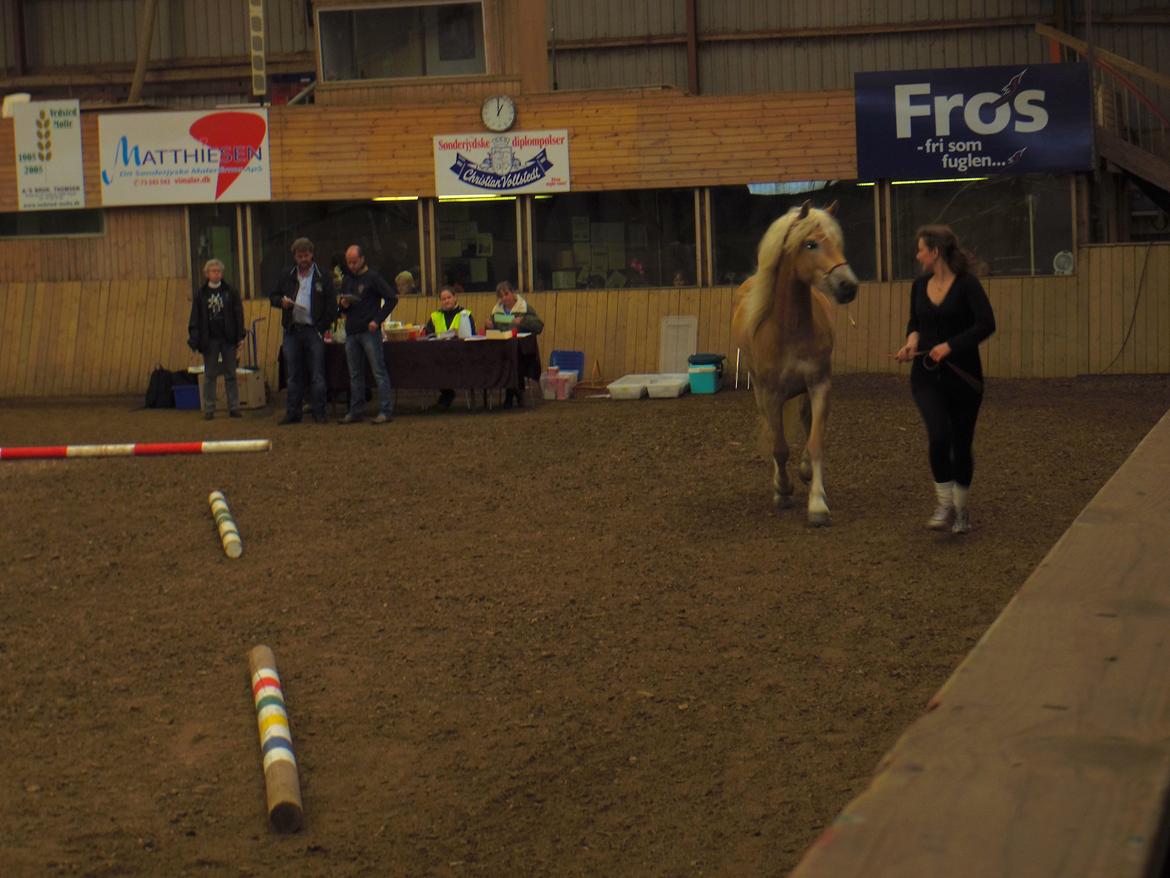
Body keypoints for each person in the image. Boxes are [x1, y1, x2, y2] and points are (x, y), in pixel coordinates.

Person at [894, 225, 996, 535]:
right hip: (925, 375)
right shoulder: (919, 285)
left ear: (935, 252)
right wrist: (912, 342)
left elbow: (986, 324)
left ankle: (962, 508)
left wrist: (950, 346)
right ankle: (944, 505)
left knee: (961, 444)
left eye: (921, 249)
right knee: (939, 436)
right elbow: (915, 321)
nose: (917, 254)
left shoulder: (967, 286)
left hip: (963, 377)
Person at [269, 237, 335, 425]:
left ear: (312, 255)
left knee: (317, 374)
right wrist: (281, 302)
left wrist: (321, 327)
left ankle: (319, 412)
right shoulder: (286, 275)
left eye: (306, 255)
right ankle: (293, 412)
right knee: (293, 374)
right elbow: (272, 296)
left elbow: (331, 305)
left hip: (313, 331)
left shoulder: (323, 276)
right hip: (292, 330)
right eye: (300, 256)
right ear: (295, 257)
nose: (303, 259)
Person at [338, 244, 397, 424]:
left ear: (362, 259)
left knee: (378, 371)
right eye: (349, 262)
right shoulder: (347, 280)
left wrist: (377, 320)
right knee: (355, 374)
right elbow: (342, 307)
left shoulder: (373, 278)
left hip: (369, 332)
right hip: (351, 331)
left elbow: (392, 299)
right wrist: (343, 306)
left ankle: (386, 410)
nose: (352, 265)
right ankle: (356, 410)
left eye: (355, 262)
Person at [187, 258, 246, 420]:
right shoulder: (201, 294)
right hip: (210, 340)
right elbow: (195, 318)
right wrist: (195, 338)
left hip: (228, 339)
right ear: (207, 274)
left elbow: (238, 315)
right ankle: (209, 409)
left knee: (231, 374)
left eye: (219, 271)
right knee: (210, 375)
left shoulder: (231, 291)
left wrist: (240, 336)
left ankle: (234, 407)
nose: (216, 274)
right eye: (213, 271)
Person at [487, 280, 543, 408]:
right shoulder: (496, 312)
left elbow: (539, 326)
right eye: (501, 296)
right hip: (503, 349)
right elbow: (495, 330)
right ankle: (516, 393)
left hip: (523, 350)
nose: (504, 298)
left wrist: (522, 322)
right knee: (506, 361)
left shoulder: (524, 308)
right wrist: (489, 326)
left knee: (515, 361)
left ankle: (512, 395)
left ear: (513, 293)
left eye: (506, 294)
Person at [423, 284, 476, 410]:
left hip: (461, 355)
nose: (446, 301)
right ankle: (446, 393)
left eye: (449, 297)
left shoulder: (466, 314)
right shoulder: (435, 316)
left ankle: (447, 395)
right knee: (427, 363)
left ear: (455, 298)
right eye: (443, 299)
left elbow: (472, 334)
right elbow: (428, 333)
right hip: (439, 355)